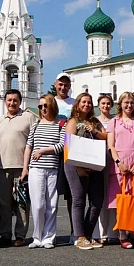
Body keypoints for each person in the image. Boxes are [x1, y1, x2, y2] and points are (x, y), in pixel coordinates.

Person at [64, 92, 109, 250]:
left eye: (89, 102)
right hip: (75, 165)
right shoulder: (73, 121)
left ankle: (88, 235)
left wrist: (94, 130)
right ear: (78, 104)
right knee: (79, 200)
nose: (87, 105)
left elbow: (106, 137)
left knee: (97, 201)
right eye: (84, 102)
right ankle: (80, 237)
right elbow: (68, 146)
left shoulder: (95, 121)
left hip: (95, 164)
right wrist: (79, 167)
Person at [21, 94, 66, 249]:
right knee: (38, 204)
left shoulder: (60, 124)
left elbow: (61, 145)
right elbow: (28, 147)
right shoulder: (36, 124)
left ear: (52, 106)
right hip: (36, 168)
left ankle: (49, 237)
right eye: (40, 106)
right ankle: (37, 236)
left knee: (51, 204)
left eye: (45, 106)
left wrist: (43, 151)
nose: (43, 109)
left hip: (53, 168)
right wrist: (25, 167)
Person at [107, 92, 134, 248]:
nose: (129, 105)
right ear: (120, 104)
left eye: (132, 102)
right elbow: (111, 145)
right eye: (126, 102)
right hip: (121, 165)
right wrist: (119, 163)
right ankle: (123, 234)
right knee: (122, 200)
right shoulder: (114, 122)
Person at [0, 88, 37, 248]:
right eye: (9, 100)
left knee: (22, 202)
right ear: (5, 102)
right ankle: (5, 235)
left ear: (20, 102)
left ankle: (20, 235)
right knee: (4, 203)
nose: (12, 103)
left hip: (22, 167)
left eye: (15, 100)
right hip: (3, 167)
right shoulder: (0, 120)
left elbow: (33, 141)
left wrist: (28, 166)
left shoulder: (28, 117)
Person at [53, 72, 76, 243]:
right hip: (52, 150)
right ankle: (49, 233)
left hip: (69, 150)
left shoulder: (74, 103)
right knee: (51, 194)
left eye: (66, 85)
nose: (63, 87)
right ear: (55, 84)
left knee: (71, 195)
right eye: (60, 84)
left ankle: (74, 230)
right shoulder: (49, 102)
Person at [96, 93, 116, 245]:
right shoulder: (94, 121)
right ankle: (102, 232)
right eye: (103, 103)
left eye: (108, 103)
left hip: (113, 158)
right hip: (98, 158)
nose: (105, 106)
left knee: (114, 195)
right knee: (101, 197)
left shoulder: (115, 120)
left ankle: (113, 232)